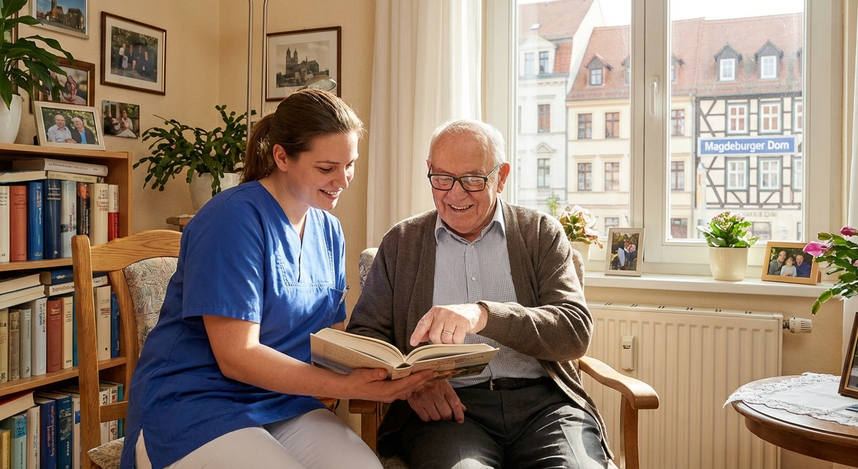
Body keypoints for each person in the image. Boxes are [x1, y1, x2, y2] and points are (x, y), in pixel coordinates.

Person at [120, 89, 432, 469]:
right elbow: (237, 357)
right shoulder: (231, 220)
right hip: (196, 403)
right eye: (327, 168)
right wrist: (345, 387)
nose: (343, 180)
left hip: (285, 401)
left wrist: (399, 371)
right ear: (282, 156)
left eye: (350, 164)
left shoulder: (329, 230)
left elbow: (330, 342)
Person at [347, 119, 610, 468]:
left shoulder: (540, 234)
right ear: (429, 170)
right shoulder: (402, 242)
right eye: (442, 178)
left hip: (545, 408)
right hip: (449, 413)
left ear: (501, 177)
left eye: (472, 180)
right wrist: (413, 383)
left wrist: (483, 315)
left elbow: (574, 332)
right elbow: (365, 336)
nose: (455, 194)